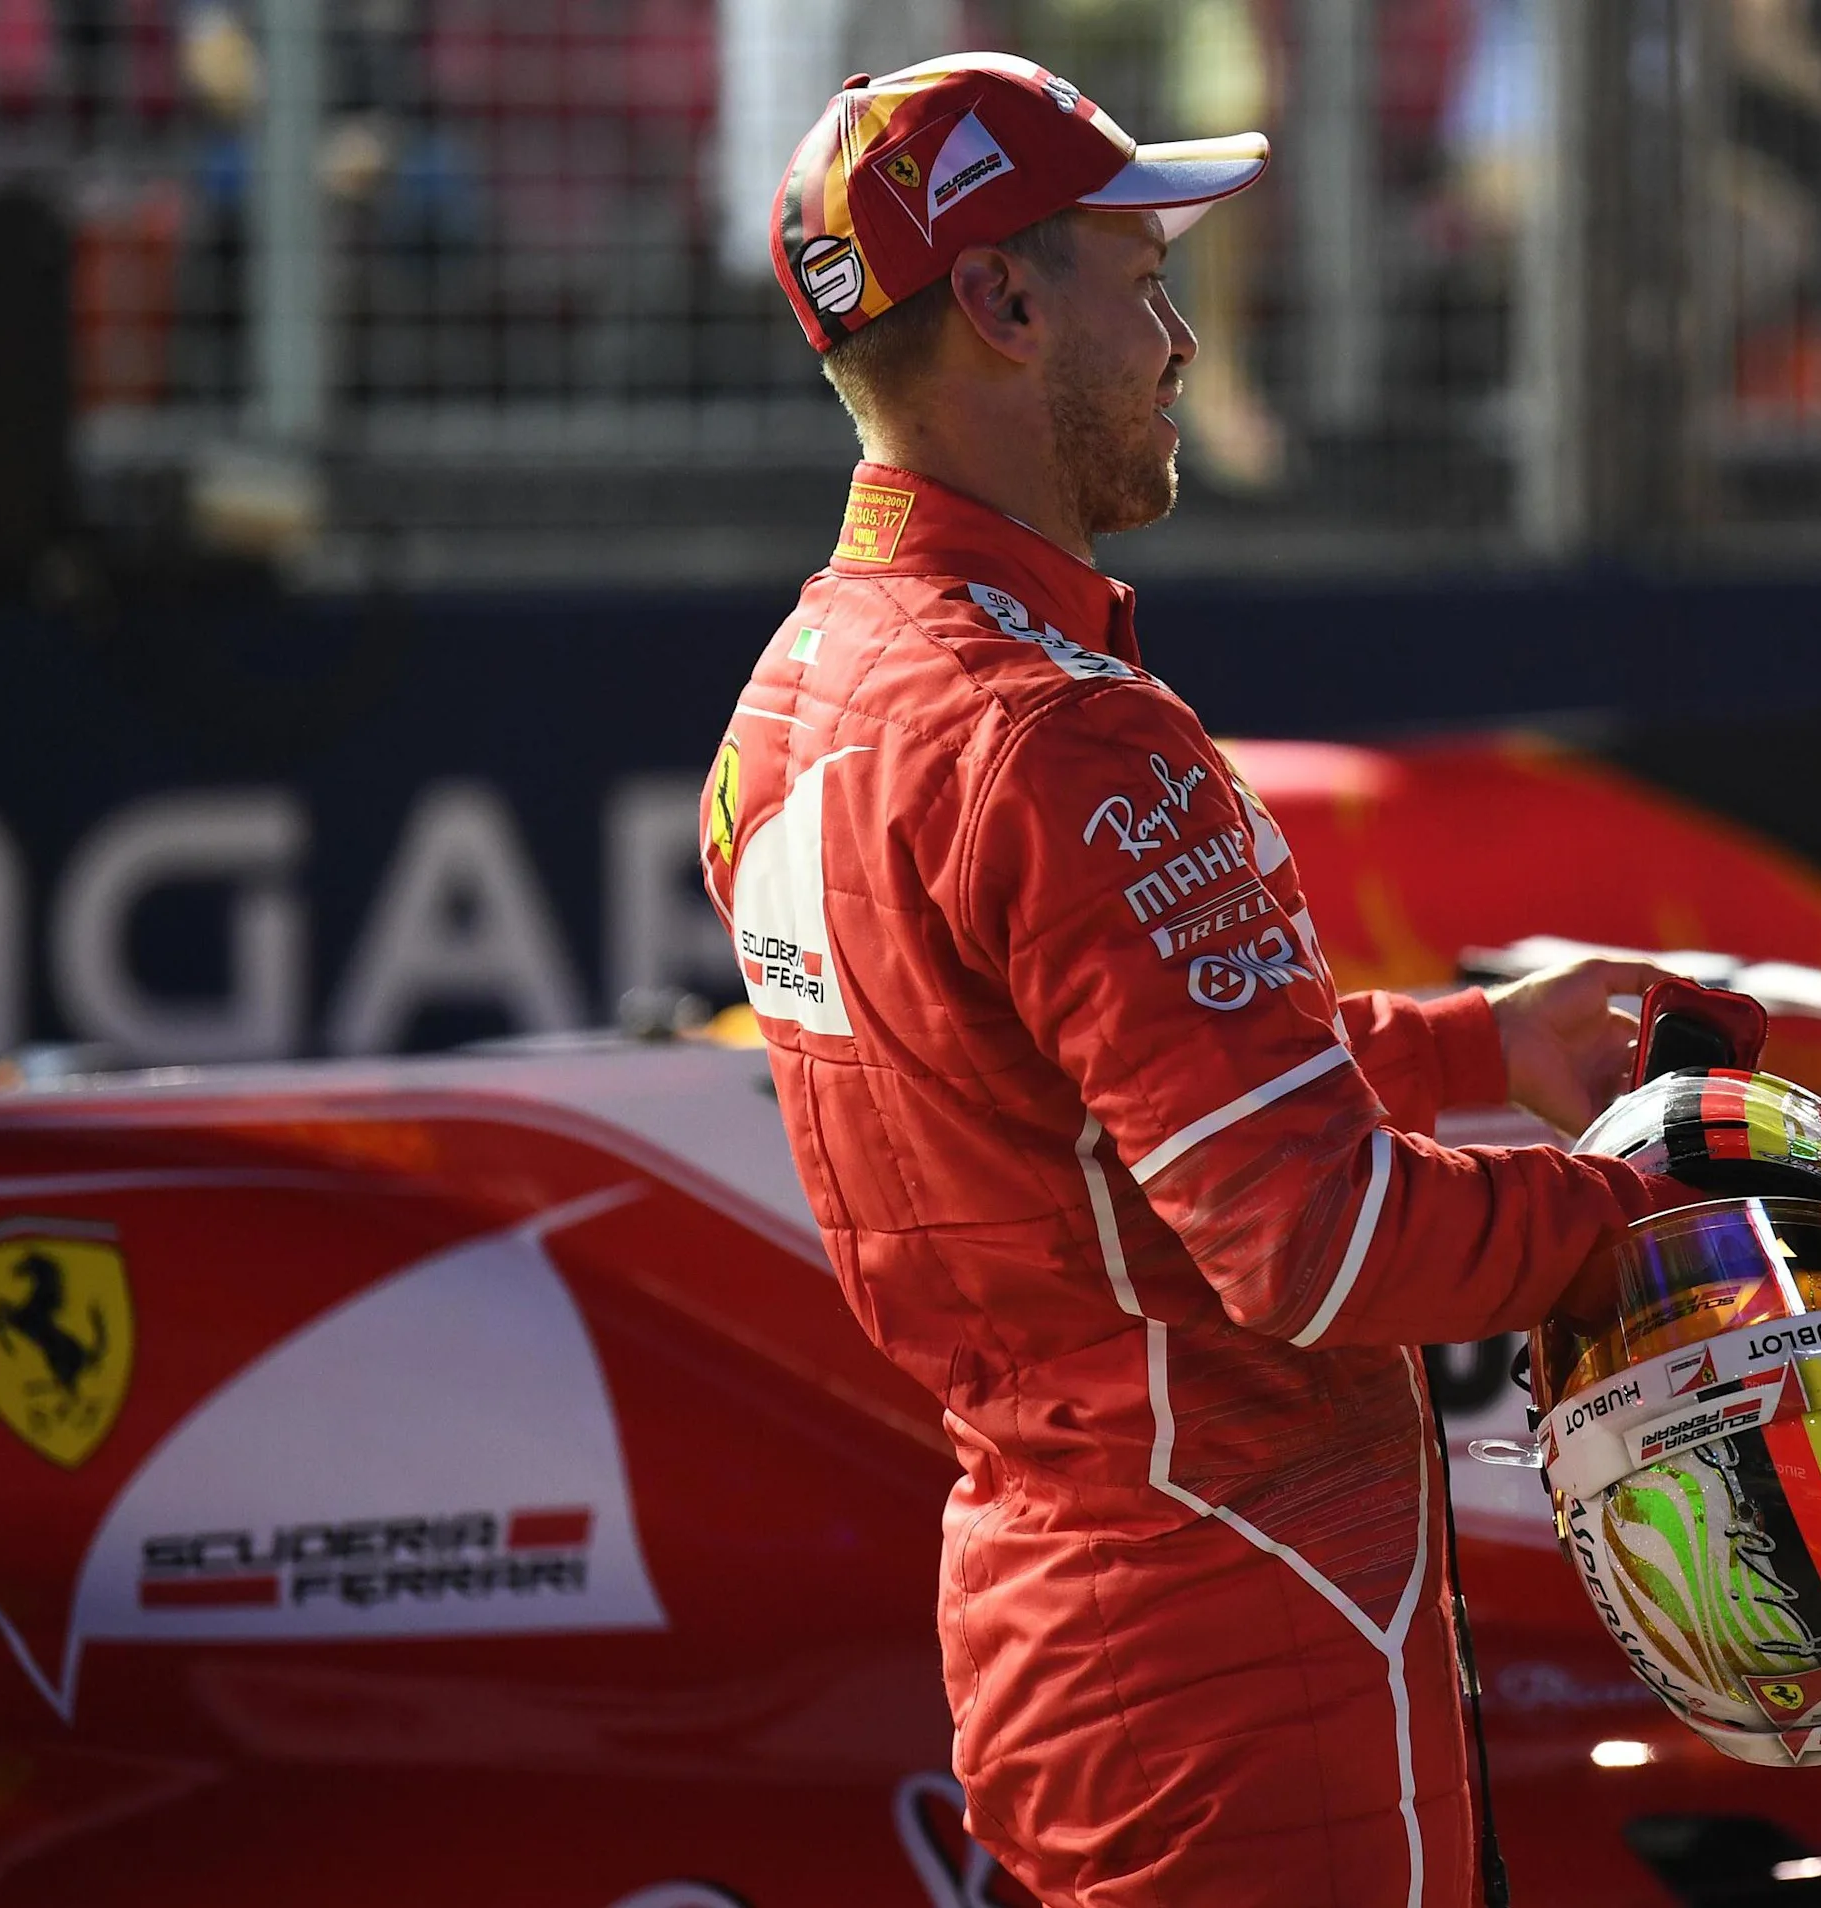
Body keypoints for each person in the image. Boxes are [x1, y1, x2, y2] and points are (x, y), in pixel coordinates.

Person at [708, 53, 1678, 1906]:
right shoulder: (1064, 738)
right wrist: (1644, 1208)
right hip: (1253, 1632)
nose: (1180, 344)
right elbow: (1316, 1250)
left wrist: (1481, 1043)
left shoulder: (788, 701)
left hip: (1045, 1611)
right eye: (1143, 285)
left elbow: (1103, 1105)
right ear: (999, 302)